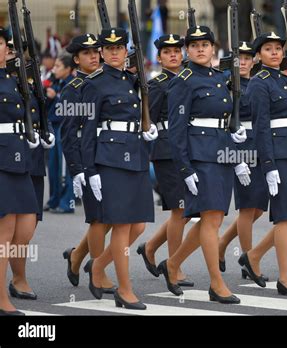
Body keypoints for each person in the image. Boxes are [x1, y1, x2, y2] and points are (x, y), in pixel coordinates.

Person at [159, 25, 249, 304]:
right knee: (210, 220)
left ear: (213, 49)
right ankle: (216, 283)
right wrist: (184, 168)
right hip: (200, 156)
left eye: (205, 44)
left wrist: (236, 157)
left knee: (215, 219)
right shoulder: (183, 80)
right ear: (188, 49)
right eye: (194, 45)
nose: (200, 48)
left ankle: (172, 264)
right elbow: (176, 129)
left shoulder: (219, 77)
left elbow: (225, 123)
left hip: (221, 153)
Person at [80, 28, 156, 310]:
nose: (114, 52)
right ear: (101, 52)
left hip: (135, 154)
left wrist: (149, 131)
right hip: (110, 159)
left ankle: (98, 265)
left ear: (126, 52)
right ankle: (125, 290)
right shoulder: (94, 83)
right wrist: (89, 170)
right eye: (108, 48)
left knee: (138, 225)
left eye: (119, 48)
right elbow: (87, 130)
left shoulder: (133, 81)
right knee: (122, 226)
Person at [239, 32, 287, 297]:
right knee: (285, 218)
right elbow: (261, 127)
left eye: (278, 49)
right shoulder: (260, 83)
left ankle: (254, 256)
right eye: (268, 49)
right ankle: (285, 277)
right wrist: (269, 164)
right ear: (258, 55)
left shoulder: (286, 81)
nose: (274, 53)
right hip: (279, 156)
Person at [136, 34, 194, 287]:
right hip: (167, 150)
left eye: (176, 51)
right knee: (180, 209)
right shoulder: (158, 84)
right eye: (167, 52)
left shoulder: (187, 80)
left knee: (186, 210)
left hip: (187, 147)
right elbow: (148, 120)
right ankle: (174, 266)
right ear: (159, 57)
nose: (173, 55)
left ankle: (149, 247)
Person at [60, 34, 115, 292]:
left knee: (112, 217)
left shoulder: (105, 82)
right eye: (86, 53)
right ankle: (98, 272)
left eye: (96, 51)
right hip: (86, 157)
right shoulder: (72, 89)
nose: (93, 56)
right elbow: (69, 133)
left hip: (106, 153)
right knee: (98, 218)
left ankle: (77, 256)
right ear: (76, 58)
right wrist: (76, 169)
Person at [217, 41, 270, 279]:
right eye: (240, 59)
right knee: (248, 206)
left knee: (259, 205)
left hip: (259, 143)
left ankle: (222, 243)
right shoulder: (226, 86)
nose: (244, 62)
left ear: (254, 60)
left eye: (248, 58)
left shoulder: (258, 83)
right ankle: (249, 260)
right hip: (239, 146)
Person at [0, 27, 41, 315]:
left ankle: (15, 278)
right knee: (5, 232)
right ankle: (1, 297)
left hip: (20, 156)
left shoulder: (14, 80)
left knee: (25, 228)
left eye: (0, 43)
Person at [44, 54, 75, 214]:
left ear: (68, 69)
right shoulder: (57, 82)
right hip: (54, 127)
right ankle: (54, 199)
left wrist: (55, 97)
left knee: (65, 168)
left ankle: (66, 202)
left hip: (65, 127)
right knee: (53, 166)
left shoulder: (71, 84)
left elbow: (68, 108)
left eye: (58, 67)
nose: (54, 69)